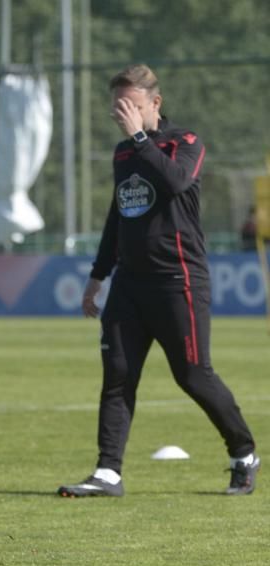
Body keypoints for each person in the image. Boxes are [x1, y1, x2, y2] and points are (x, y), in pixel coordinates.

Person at [59, 64, 260, 498]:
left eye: (130, 104)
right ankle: (107, 473)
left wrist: (139, 138)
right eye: (117, 105)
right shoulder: (122, 154)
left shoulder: (185, 143)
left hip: (178, 280)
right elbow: (118, 217)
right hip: (129, 286)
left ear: (155, 103)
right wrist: (97, 278)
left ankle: (243, 453)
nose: (122, 113)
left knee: (193, 376)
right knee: (117, 374)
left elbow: (175, 182)